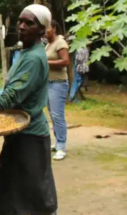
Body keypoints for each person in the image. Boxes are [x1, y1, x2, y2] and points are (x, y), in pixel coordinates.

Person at [0, 4, 58, 215]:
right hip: (18, 134)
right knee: (10, 194)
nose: (22, 26)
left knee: (32, 200)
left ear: (42, 29)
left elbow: (13, 95)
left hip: (30, 137)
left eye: (29, 23)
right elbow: (19, 92)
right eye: (20, 21)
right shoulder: (25, 53)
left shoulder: (33, 57)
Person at [45, 20, 70, 161]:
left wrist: (46, 62)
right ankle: (57, 142)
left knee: (58, 116)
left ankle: (61, 147)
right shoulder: (48, 44)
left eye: (47, 29)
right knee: (53, 115)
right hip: (49, 83)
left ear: (53, 28)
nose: (45, 32)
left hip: (58, 84)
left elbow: (66, 61)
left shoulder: (60, 42)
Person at [68, 35, 89, 102]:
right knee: (77, 80)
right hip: (79, 66)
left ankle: (73, 96)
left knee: (79, 80)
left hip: (82, 67)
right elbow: (79, 59)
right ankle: (72, 97)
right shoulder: (80, 48)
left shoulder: (83, 47)